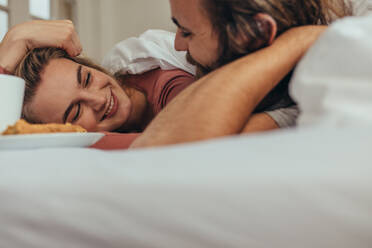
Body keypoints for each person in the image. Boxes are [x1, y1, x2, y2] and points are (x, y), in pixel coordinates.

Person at [129, 0, 351, 148]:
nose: (177, 45)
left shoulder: (301, 96)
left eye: (187, 32)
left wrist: (297, 41)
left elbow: (161, 155)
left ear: (256, 32)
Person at [0, 20, 195, 149]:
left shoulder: (175, 88)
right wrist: (11, 46)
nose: (98, 100)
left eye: (86, 79)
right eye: (76, 112)